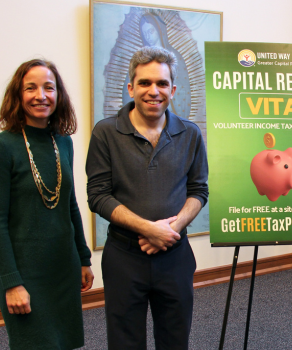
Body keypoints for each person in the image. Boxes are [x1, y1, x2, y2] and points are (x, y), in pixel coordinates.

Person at [86, 46, 208, 349]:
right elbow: (98, 196)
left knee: (175, 339)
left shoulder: (190, 134)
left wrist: (171, 229)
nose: (154, 91)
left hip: (175, 254)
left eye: (162, 83)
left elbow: (199, 190)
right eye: (144, 83)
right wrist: (148, 228)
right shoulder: (105, 133)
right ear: (131, 87)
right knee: (125, 342)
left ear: (173, 89)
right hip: (124, 257)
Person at [0, 59, 94, 349]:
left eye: (49, 87)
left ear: (59, 95)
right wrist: (12, 282)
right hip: (25, 272)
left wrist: (83, 258)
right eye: (30, 88)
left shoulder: (64, 143)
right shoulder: (0, 147)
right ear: (18, 95)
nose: (41, 95)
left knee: (64, 343)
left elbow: (70, 207)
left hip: (63, 265)